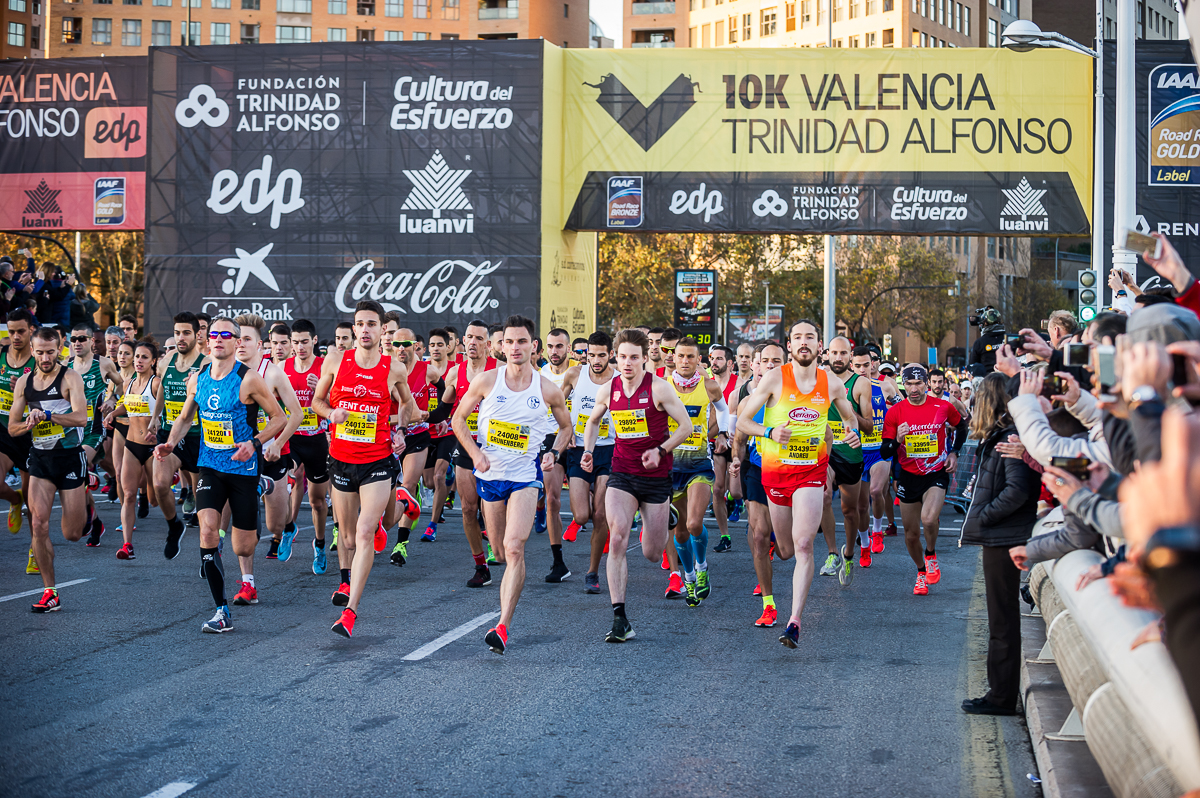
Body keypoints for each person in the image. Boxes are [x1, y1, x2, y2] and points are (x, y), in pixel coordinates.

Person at [154, 315, 286, 634]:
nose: (219, 339)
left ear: (237, 342)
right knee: (208, 530)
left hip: (243, 470)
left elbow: (279, 418)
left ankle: (260, 490)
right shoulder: (198, 378)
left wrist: (254, 444)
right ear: (207, 339)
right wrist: (170, 443)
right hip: (209, 466)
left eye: (227, 335)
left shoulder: (249, 379)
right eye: (214, 334)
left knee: (244, 545)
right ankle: (221, 610)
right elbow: (186, 418)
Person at [736, 320, 861, 648]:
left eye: (810, 337)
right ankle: (781, 549)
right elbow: (743, 420)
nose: (803, 343)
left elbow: (849, 416)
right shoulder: (776, 378)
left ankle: (794, 622)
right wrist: (769, 432)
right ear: (789, 346)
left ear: (819, 345)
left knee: (805, 544)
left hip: (811, 473)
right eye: (797, 338)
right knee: (788, 551)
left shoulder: (830, 383)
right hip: (776, 475)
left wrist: (852, 430)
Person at [451, 315, 571, 654]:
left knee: (516, 548)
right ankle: (502, 584)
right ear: (500, 347)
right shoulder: (488, 381)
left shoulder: (546, 388)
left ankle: (502, 625)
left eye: (522, 342)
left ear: (533, 346)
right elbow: (458, 419)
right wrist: (474, 454)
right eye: (509, 342)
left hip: (525, 476)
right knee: (501, 553)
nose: (515, 348)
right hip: (490, 476)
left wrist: (554, 453)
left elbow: (565, 428)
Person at [581, 328, 693, 643]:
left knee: (652, 554)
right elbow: (592, 421)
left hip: (656, 478)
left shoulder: (659, 388)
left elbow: (686, 426)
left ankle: (666, 515)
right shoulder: (610, 389)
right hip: (622, 474)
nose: (627, 363)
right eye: (623, 357)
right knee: (616, 538)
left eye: (634, 357)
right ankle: (620, 618)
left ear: (645, 358)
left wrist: (661, 450)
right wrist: (588, 451)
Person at [312, 300, 414, 638]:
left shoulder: (393, 368)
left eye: (373, 324)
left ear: (382, 329)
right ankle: (403, 504)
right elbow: (317, 401)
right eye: (360, 324)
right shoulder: (335, 361)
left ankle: (351, 611)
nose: (366, 330)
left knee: (368, 531)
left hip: (377, 460)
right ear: (354, 328)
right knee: (348, 533)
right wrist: (331, 415)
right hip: (341, 458)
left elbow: (410, 409)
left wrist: (397, 429)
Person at [959, 373, 1039, 715]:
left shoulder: (1009, 438)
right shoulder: (1001, 436)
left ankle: (1001, 697)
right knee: (999, 619)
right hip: (1001, 536)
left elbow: (1019, 490)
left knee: (1002, 621)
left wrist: (986, 516)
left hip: (1004, 538)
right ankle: (999, 692)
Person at [11, 328, 90, 612]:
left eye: (51, 351)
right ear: (32, 351)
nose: (45, 357)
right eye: (40, 352)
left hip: (69, 458)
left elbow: (81, 417)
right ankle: (50, 591)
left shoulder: (70, 377)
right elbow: (13, 427)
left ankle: (85, 511)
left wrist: (46, 415)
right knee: (38, 523)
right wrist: (29, 425)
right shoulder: (24, 383)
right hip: (41, 460)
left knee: (72, 533)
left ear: (60, 350)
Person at [230, 313, 302, 605]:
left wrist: (279, 443)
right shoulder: (225, 371)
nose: (241, 344)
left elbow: (295, 414)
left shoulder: (271, 373)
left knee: (274, 526)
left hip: (272, 454)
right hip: (239, 457)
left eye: (247, 339)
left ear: (260, 344)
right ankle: (248, 583)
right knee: (243, 521)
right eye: (238, 339)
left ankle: (283, 514)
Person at [881, 365, 969, 596]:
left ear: (927, 384)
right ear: (903, 385)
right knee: (910, 535)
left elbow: (962, 426)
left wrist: (954, 453)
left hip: (936, 472)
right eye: (909, 384)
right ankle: (921, 571)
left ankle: (930, 554)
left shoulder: (943, 406)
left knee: (929, 519)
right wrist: (898, 440)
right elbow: (885, 452)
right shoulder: (895, 412)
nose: (914, 388)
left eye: (919, 383)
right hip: (908, 476)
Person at [665, 335, 731, 606]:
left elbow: (724, 409)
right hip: (671, 467)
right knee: (680, 533)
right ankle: (689, 577)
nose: (684, 361)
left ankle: (702, 568)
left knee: (694, 523)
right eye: (680, 356)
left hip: (700, 464)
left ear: (698, 360)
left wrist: (724, 434)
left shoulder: (709, 386)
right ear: (673, 357)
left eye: (691, 356)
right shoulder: (663, 386)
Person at [437, 320, 498, 587]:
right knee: (467, 508)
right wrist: (416, 418)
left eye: (479, 338)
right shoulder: (455, 373)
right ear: (463, 341)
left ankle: (498, 542)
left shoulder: (501, 372)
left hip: (496, 448)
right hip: (465, 446)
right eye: (469, 338)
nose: (473, 342)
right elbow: (442, 409)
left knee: (491, 508)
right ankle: (480, 566)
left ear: (488, 344)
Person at [732, 341, 785, 626]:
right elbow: (739, 440)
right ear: (757, 365)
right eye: (766, 361)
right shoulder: (747, 402)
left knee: (787, 549)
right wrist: (736, 460)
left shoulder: (795, 399)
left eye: (777, 361)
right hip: (756, 470)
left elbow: (824, 434)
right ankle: (768, 603)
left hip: (789, 473)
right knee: (759, 534)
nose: (771, 366)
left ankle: (781, 545)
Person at [559, 330, 615, 594]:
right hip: (579, 448)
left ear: (610, 355)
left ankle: (592, 572)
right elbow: (557, 402)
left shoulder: (619, 378)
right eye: (590, 354)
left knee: (600, 514)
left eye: (601, 355)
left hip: (610, 450)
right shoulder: (574, 374)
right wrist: (566, 428)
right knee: (582, 515)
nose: (594, 360)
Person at [148, 312, 205, 557]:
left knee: (205, 504)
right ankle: (174, 525)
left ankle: (210, 551)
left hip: (199, 437)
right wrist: (154, 416)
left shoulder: (206, 363)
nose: (180, 338)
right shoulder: (167, 360)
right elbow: (162, 388)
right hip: (170, 435)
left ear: (196, 335)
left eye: (186, 333)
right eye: (177, 333)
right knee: (160, 484)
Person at [388, 326, 440, 567]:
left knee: (406, 486)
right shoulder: (384, 371)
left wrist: (438, 416)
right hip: (389, 438)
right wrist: (405, 418)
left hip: (418, 437)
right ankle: (383, 522)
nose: (400, 349)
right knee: (388, 492)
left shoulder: (427, 370)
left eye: (405, 345)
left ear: (415, 346)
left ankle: (400, 544)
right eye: (395, 345)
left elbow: (444, 391)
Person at [106, 340, 161, 560]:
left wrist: (157, 421)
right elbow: (126, 404)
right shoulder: (127, 382)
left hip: (152, 447)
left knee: (155, 498)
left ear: (153, 361)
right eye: (137, 356)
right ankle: (127, 544)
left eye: (144, 357)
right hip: (132, 445)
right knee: (128, 494)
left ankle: (165, 479)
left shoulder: (157, 384)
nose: (138, 361)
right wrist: (113, 413)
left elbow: (165, 409)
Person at [283, 319, 331, 574]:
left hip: (317, 439)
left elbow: (336, 403)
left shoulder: (325, 368)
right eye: (295, 342)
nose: (299, 347)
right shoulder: (283, 367)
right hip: (292, 437)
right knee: (286, 477)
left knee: (317, 501)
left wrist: (320, 391)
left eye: (304, 341)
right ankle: (288, 526)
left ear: (314, 341)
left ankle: (320, 544)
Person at [821, 336, 870, 580]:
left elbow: (869, 426)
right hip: (825, 451)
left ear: (850, 356)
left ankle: (849, 554)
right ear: (827, 354)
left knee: (850, 511)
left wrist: (850, 414)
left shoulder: (860, 383)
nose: (838, 358)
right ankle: (832, 553)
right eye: (834, 353)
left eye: (843, 353)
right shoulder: (818, 379)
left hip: (850, 452)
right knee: (824, 495)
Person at [68, 321, 120, 547]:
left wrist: (110, 398)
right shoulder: (66, 366)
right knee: (76, 475)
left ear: (91, 341)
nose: (77, 343)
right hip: (72, 431)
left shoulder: (103, 363)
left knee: (78, 465)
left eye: (82, 339)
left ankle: (91, 513)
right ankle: (95, 519)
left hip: (94, 430)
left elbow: (121, 384)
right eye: (73, 339)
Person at [851, 345, 898, 554]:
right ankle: (864, 543)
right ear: (852, 366)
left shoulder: (886, 386)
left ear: (873, 365)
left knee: (877, 490)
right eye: (858, 366)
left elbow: (902, 408)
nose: (862, 369)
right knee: (861, 506)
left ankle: (878, 530)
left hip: (879, 448)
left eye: (866, 365)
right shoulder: (846, 389)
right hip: (857, 450)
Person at [537, 327, 573, 582]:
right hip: (551, 440)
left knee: (591, 510)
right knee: (553, 499)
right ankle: (558, 562)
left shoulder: (580, 373)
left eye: (559, 346)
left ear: (568, 349)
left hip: (580, 439)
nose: (554, 351)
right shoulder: (540, 376)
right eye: (550, 346)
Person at [419, 328, 457, 542]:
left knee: (439, 476)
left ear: (448, 347)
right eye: (432, 345)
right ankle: (450, 478)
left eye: (440, 345)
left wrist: (447, 417)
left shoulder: (455, 369)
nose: (435, 348)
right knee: (430, 483)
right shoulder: (422, 370)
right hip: (426, 431)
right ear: (426, 348)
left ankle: (432, 525)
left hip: (449, 431)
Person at [0, 308, 35, 542]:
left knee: (34, 502)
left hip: (29, 433)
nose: (16, 337)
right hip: (3, 427)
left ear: (31, 330)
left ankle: (35, 550)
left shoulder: (39, 360)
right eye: (11, 331)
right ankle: (14, 500)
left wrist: (25, 392)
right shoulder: (1, 355)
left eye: (21, 331)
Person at [708, 344, 739, 552]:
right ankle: (725, 536)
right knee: (717, 489)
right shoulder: (707, 385)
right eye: (712, 358)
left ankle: (734, 498)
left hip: (737, 443)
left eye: (719, 358)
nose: (714, 362)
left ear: (729, 363)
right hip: (717, 443)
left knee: (735, 492)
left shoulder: (739, 385)